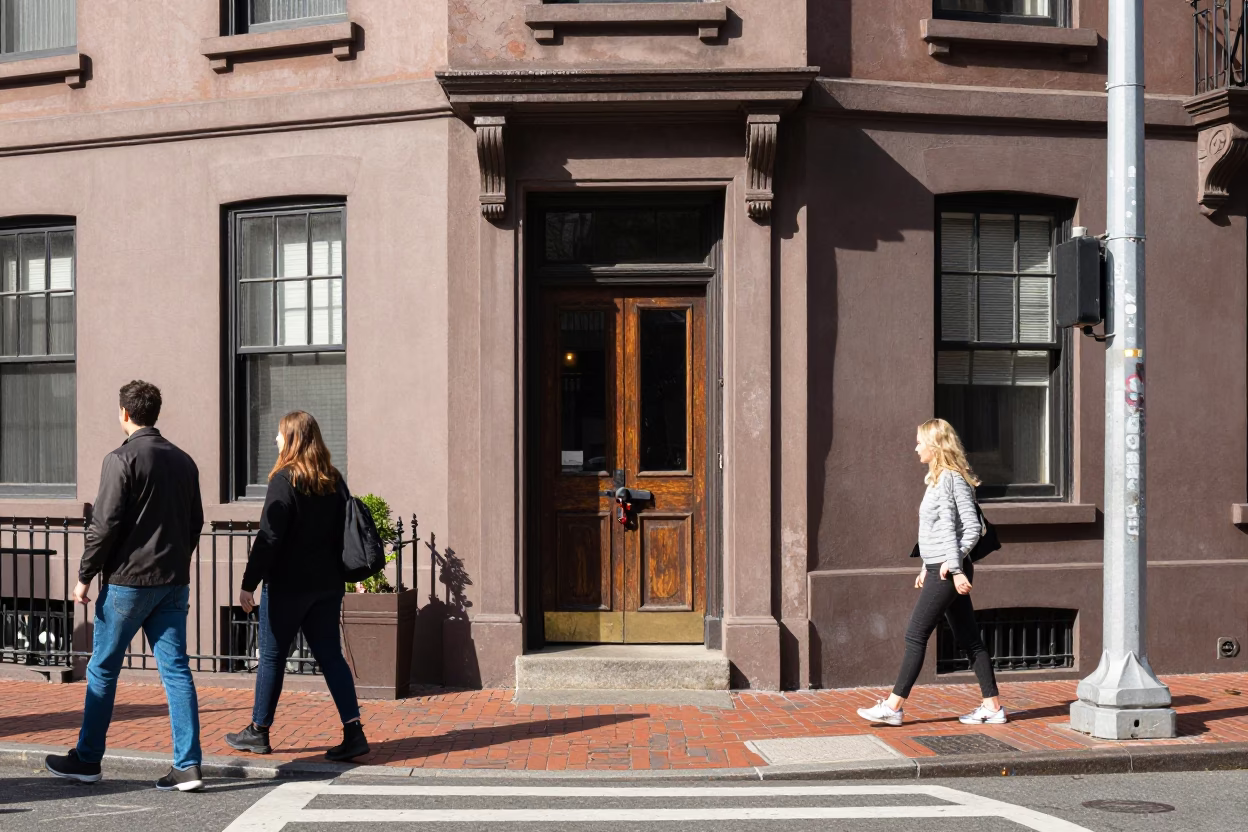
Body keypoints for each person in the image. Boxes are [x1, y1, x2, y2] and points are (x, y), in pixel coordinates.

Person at [46, 381, 206, 791]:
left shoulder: (121, 459)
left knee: (103, 669)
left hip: (128, 582)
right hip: (173, 582)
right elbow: (195, 523)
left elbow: (104, 525)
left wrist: (84, 576)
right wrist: (177, 559)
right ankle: (188, 765)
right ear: (155, 412)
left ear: (124, 413)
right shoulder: (185, 461)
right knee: (176, 671)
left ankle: (87, 759)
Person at [224, 411, 369, 761]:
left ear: (292, 439)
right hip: (327, 585)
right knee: (331, 656)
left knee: (272, 656)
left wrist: (248, 584)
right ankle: (354, 731)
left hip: (288, 586)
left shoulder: (284, 479)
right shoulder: (333, 480)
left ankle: (259, 731)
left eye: (279, 434)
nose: (275, 439)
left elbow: (269, 538)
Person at [857, 418, 1007, 727]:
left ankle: (894, 707)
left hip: (948, 571)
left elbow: (971, 529)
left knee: (915, 634)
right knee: (969, 639)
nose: (916, 448)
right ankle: (992, 707)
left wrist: (954, 566)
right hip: (940, 567)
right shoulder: (937, 479)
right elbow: (936, 530)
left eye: (919, 442)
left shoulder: (953, 479)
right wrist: (926, 565)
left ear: (935, 445)